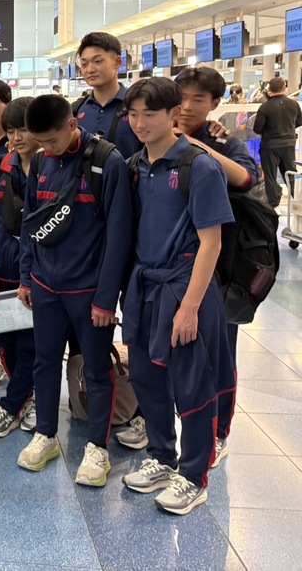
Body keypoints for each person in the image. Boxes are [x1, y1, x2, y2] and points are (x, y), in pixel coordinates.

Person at [121, 77, 235, 515]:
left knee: (192, 384)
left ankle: (193, 476)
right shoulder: (135, 165)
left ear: (173, 115)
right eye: (133, 114)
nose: (140, 123)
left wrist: (190, 308)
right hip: (145, 285)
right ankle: (162, 457)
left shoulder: (198, 166)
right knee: (146, 376)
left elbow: (212, 243)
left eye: (150, 114)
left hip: (186, 286)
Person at [16, 94, 131, 487]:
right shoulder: (41, 162)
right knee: (44, 362)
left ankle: (98, 448)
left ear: (72, 124)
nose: (47, 149)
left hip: (88, 291)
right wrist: (26, 277)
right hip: (45, 287)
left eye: (52, 141)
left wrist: (106, 298)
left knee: (96, 369)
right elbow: (31, 224)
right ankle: (45, 435)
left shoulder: (107, 162)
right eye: (40, 143)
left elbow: (118, 237)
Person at [168, 66, 260, 463]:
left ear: (215, 104)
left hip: (217, 268)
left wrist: (192, 144)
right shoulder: (153, 135)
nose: (187, 107)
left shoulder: (223, 141)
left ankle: (218, 431)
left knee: (219, 352)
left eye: (198, 100)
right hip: (166, 264)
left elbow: (246, 179)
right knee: (167, 349)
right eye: (182, 98)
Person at [0, 97, 38, 436]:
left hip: (40, 278)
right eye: (11, 130)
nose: (16, 137)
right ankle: (24, 396)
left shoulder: (53, 169)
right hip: (2, 273)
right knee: (7, 346)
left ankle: (13, 403)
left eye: (24, 129)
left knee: (33, 344)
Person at [72, 32, 141, 159]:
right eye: (84, 64)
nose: (90, 70)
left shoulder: (137, 106)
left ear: (117, 62)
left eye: (98, 61)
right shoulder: (76, 110)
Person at [253, 75, 302, 207]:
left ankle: (273, 204)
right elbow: (299, 122)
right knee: (290, 174)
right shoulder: (294, 104)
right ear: (284, 88)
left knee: (270, 176)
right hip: (289, 145)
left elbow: (257, 129)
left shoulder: (265, 107)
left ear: (270, 89)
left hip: (269, 146)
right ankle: (297, 202)